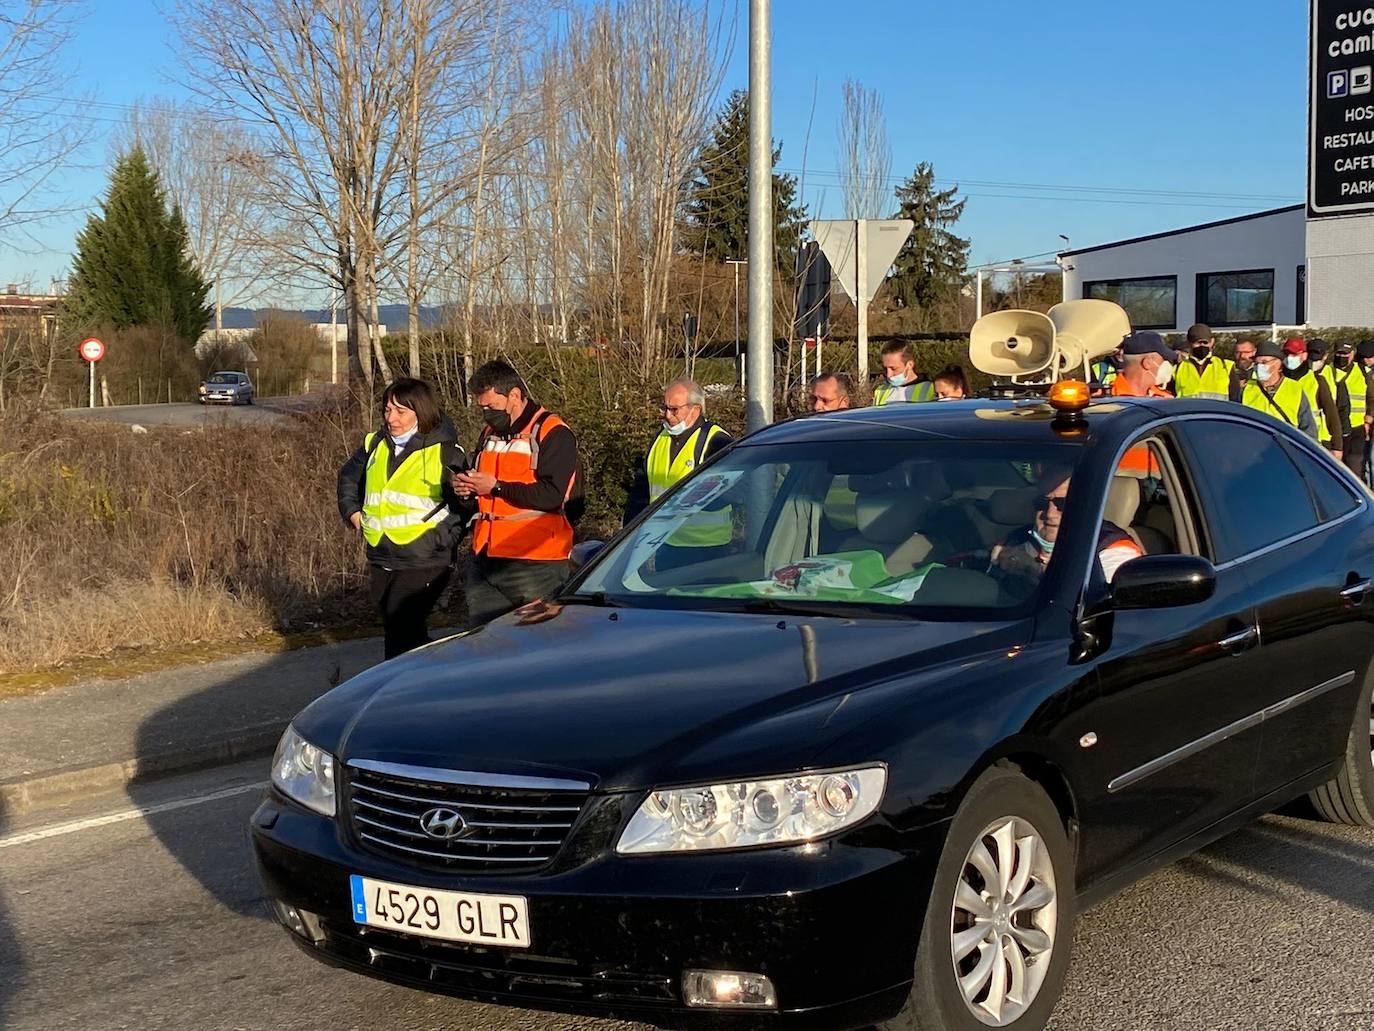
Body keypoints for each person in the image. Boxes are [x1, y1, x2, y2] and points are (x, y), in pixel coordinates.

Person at [336, 378, 468, 659]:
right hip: (382, 553)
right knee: (401, 631)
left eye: (400, 411)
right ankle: (437, 675)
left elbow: (466, 504)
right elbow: (348, 477)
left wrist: (444, 539)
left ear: (420, 412)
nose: (391, 418)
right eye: (386, 410)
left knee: (400, 629)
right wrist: (353, 514)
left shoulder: (446, 451)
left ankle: (396, 691)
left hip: (425, 559)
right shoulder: (375, 443)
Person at [455, 360, 584, 626]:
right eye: (483, 408)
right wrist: (466, 489)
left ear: (514, 395)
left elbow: (553, 496)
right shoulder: (489, 433)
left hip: (538, 563)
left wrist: (496, 487)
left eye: (491, 406)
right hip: (487, 557)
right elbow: (484, 488)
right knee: (485, 643)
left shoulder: (552, 432)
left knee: (540, 647)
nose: (487, 414)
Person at [623, 378, 734, 566]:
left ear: (695, 409)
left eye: (674, 409)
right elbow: (641, 492)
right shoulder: (660, 439)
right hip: (664, 544)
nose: (667, 415)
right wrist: (627, 537)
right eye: (665, 408)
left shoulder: (716, 441)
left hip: (707, 548)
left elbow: (732, 492)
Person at [989, 468, 1142, 588]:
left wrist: (1032, 571)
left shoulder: (1115, 550)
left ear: (1086, 506)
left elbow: (1096, 607)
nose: (1050, 513)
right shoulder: (1015, 540)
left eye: (1062, 504)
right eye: (1042, 502)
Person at [1241, 341, 1318, 440]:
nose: (1259, 366)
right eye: (1256, 363)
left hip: (1286, 448)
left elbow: (1308, 428)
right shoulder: (1246, 389)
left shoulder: (1295, 389)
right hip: (1255, 447)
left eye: (1264, 362)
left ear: (1278, 364)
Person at [1281, 338, 1343, 459]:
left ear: (1304, 355)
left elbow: (1331, 415)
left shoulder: (1317, 381)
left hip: (1313, 444)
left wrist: (1337, 446)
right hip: (1282, 441)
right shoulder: (1278, 380)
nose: (1289, 358)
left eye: (1294, 354)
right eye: (1287, 354)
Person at [1331, 341, 1367, 477]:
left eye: (1345, 353)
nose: (1342, 356)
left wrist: (1369, 417)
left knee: (1354, 465)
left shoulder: (1363, 372)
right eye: (1339, 353)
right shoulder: (1328, 371)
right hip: (1335, 427)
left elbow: (1371, 396)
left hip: (1357, 426)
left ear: (1353, 354)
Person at [1173, 323, 1233, 400]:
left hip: (1217, 412)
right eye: (1197, 342)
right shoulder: (1178, 369)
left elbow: (1234, 400)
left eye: (1205, 342)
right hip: (1190, 411)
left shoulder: (1226, 367)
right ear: (1189, 343)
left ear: (1212, 342)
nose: (1202, 345)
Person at [1110, 331, 1175, 398]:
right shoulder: (1105, 399)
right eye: (1163, 359)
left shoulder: (1165, 398)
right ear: (1147, 363)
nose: (1167, 364)